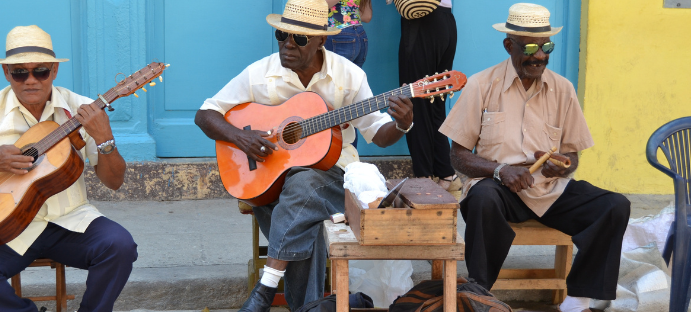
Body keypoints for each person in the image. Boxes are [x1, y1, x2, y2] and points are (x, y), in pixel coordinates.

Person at [194, 0, 414, 311]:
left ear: (321, 40)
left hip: (333, 177)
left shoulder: (348, 76)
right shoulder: (260, 72)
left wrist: (402, 125)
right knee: (303, 217)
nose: (287, 45)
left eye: (298, 39)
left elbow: (377, 133)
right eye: (282, 35)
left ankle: (265, 289)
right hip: (271, 180)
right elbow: (205, 114)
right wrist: (241, 138)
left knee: (304, 184)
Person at [0, 25, 137, 312]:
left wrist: (104, 139)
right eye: (20, 72)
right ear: (6, 74)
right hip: (8, 227)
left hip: (70, 221)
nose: (31, 80)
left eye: (40, 71)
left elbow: (114, 182)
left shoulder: (82, 109)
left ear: (54, 71)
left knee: (120, 246)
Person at [437, 4, 630, 312]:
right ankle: (479, 292)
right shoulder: (481, 85)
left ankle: (577, 299)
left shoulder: (563, 89)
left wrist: (562, 166)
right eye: (529, 47)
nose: (540, 55)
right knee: (483, 198)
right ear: (508, 45)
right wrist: (501, 170)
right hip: (501, 190)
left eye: (546, 47)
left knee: (615, 205)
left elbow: (572, 155)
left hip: (548, 190)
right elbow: (458, 156)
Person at [396, 0, 459, 190]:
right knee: (436, 102)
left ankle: (423, 179)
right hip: (446, 20)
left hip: (420, 21)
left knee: (414, 104)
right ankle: (447, 174)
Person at [324, 0, 372, 68]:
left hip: (338, 35)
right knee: (351, 77)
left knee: (334, 77)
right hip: (360, 35)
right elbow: (367, 16)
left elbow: (322, 5)